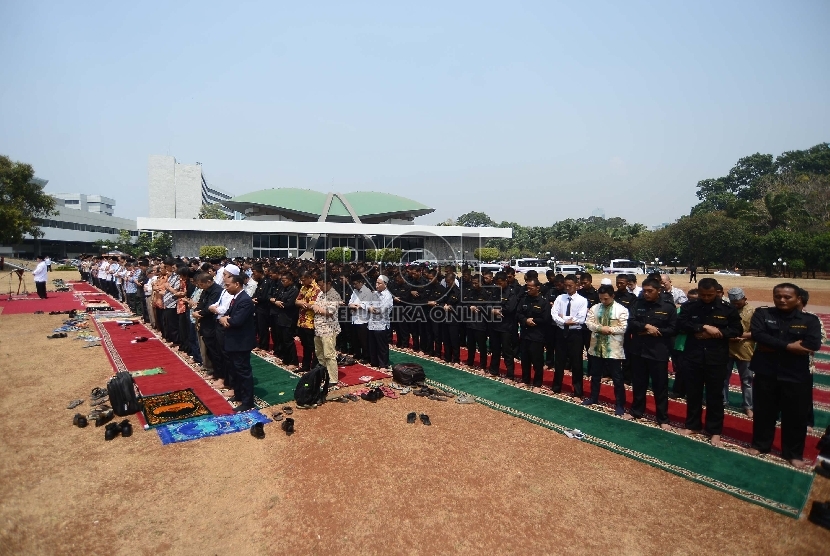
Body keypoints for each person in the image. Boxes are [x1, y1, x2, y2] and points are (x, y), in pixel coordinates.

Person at [747, 283, 822, 469]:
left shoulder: (810, 320)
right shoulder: (763, 314)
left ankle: (793, 454)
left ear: (798, 299)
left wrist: (773, 345)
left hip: (795, 376)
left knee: (795, 417)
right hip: (766, 372)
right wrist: (790, 346)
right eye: (778, 296)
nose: (782, 300)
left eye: (787, 297)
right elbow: (758, 335)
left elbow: (812, 344)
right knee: (764, 413)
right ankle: (760, 445)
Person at [676, 278, 742, 446]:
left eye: (710, 295)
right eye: (703, 295)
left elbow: (737, 330)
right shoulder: (690, 307)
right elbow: (681, 324)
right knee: (693, 393)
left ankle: (714, 431)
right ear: (698, 292)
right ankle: (693, 425)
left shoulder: (727, 309)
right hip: (693, 357)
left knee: (715, 396)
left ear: (717, 292)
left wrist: (718, 332)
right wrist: (703, 327)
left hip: (716, 358)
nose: (706, 297)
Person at [623, 278, 677, 429]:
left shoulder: (668, 307)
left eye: (650, 291)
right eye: (644, 291)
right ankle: (636, 411)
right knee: (639, 383)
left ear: (658, 290)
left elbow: (673, 329)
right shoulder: (637, 304)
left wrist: (657, 331)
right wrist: (646, 326)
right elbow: (631, 322)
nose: (646, 294)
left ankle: (662, 418)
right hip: (638, 350)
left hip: (658, 352)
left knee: (660, 386)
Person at [583, 284, 629, 414]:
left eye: (606, 299)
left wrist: (610, 330)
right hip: (597, 346)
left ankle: (620, 404)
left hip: (613, 348)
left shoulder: (621, 310)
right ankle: (593, 397)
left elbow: (623, 328)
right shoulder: (595, 308)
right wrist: (599, 328)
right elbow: (588, 323)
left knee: (617, 377)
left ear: (613, 296)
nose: (603, 301)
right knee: (595, 374)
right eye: (601, 298)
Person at [219, 274, 257, 412]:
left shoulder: (245, 300)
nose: (226, 287)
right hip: (234, 341)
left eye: (228, 285)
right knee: (235, 370)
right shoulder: (237, 298)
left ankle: (248, 401)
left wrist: (225, 320)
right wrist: (224, 319)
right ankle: (239, 394)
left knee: (243, 371)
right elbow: (226, 315)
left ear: (237, 284)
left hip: (241, 342)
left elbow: (236, 321)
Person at [551, 274, 589, 396]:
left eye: (570, 286)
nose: (567, 288)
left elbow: (580, 319)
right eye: (566, 285)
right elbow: (554, 314)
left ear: (577, 286)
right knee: (559, 361)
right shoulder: (560, 298)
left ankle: (578, 392)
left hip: (575, 334)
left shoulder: (582, 301)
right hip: (561, 332)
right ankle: (556, 387)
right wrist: (565, 321)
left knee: (576, 362)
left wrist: (564, 318)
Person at [725, 287, 755, 417]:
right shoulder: (727, 309)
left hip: (745, 349)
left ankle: (748, 406)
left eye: (738, 302)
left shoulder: (753, 312)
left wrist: (740, 336)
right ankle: (723, 401)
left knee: (747, 380)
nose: (736, 305)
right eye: (733, 303)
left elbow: (757, 332)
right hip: (727, 348)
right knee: (723, 378)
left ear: (745, 299)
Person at [516, 278, 551, 392]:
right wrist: (525, 320)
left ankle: (537, 383)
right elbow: (518, 313)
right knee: (525, 359)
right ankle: (525, 380)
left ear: (537, 288)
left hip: (537, 335)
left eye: (531, 288)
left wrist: (534, 320)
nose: (529, 290)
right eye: (527, 288)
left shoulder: (543, 302)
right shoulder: (524, 299)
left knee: (537, 361)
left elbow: (546, 318)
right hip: (525, 334)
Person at [488, 271, 518, 381]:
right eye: (497, 283)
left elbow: (510, 308)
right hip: (495, 325)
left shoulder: (511, 293)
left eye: (500, 283)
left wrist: (497, 309)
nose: (498, 285)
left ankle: (510, 374)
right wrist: (493, 310)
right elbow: (488, 304)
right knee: (495, 349)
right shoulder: (495, 291)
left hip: (506, 326)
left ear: (506, 281)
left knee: (507, 351)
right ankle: (493, 370)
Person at [312, 275, 342, 384]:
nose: (320, 287)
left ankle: (333, 379)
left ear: (328, 283)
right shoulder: (321, 293)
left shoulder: (334, 295)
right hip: (319, 328)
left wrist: (318, 309)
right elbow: (314, 306)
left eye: (322, 285)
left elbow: (329, 312)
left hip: (329, 329)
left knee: (329, 354)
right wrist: (318, 309)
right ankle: (324, 374)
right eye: (319, 285)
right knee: (320, 354)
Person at [366, 275, 394, 369]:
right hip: (372, 323)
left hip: (381, 324)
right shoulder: (375, 294)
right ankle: (374, 362)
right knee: (372, 344)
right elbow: (367, 305)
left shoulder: (388, 296)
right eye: (376, 283)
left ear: (385, 284)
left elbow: (380, 310)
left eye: (379, 283)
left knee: (382, 346)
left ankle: (383, 364)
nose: (377, 285)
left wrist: (371, 308)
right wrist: (370, 308)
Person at [295, 272, 321, 372]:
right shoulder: (303, 287)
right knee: (305, 345)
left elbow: (313, 305)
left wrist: (302, 303)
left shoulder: (316, 289)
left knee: (313, 346)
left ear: (310, 278)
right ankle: (305, 366)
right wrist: (302, 303)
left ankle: (314, 368)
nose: (302, 282)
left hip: (311, 322)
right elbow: (296, 301)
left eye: (304, 280)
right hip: (302, 321)